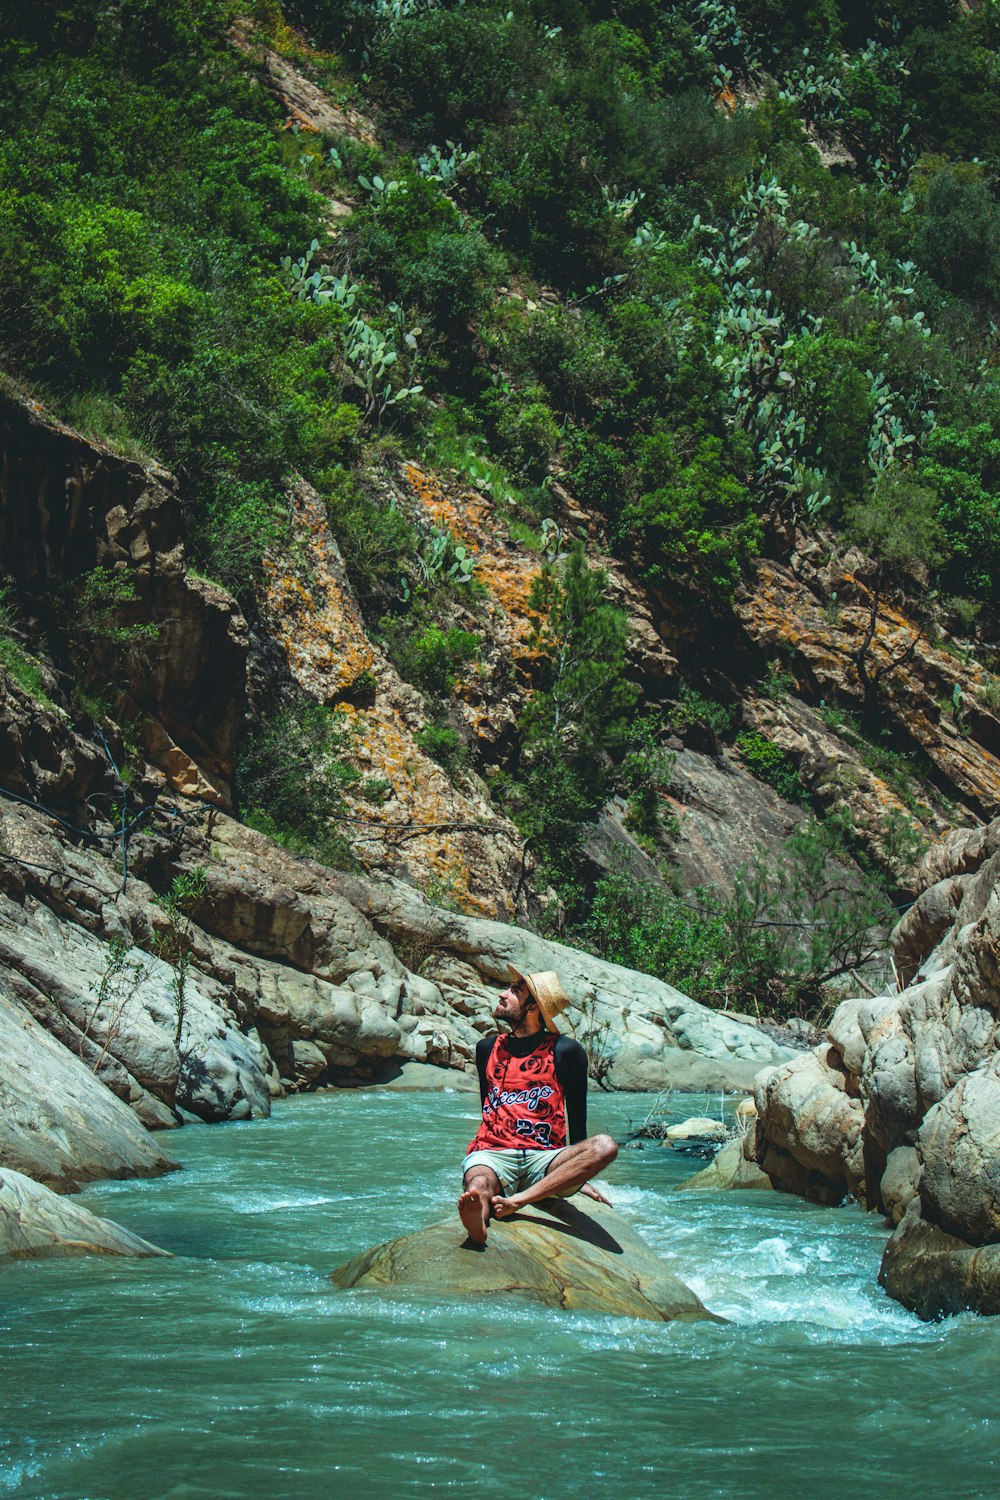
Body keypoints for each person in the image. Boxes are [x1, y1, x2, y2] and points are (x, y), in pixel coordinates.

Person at [457, 967, 618, 1244]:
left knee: (605, 1146)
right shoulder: (487, 1049)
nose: (502, 994)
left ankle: (518, 1200)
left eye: (514, 992)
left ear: (533, 1007)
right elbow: (488, 1108)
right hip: (493, 1154)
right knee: (479, 1184)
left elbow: (577, 1120)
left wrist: (577, 1176)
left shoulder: (566, 1051)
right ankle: (478, 1224)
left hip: (545, 1158)